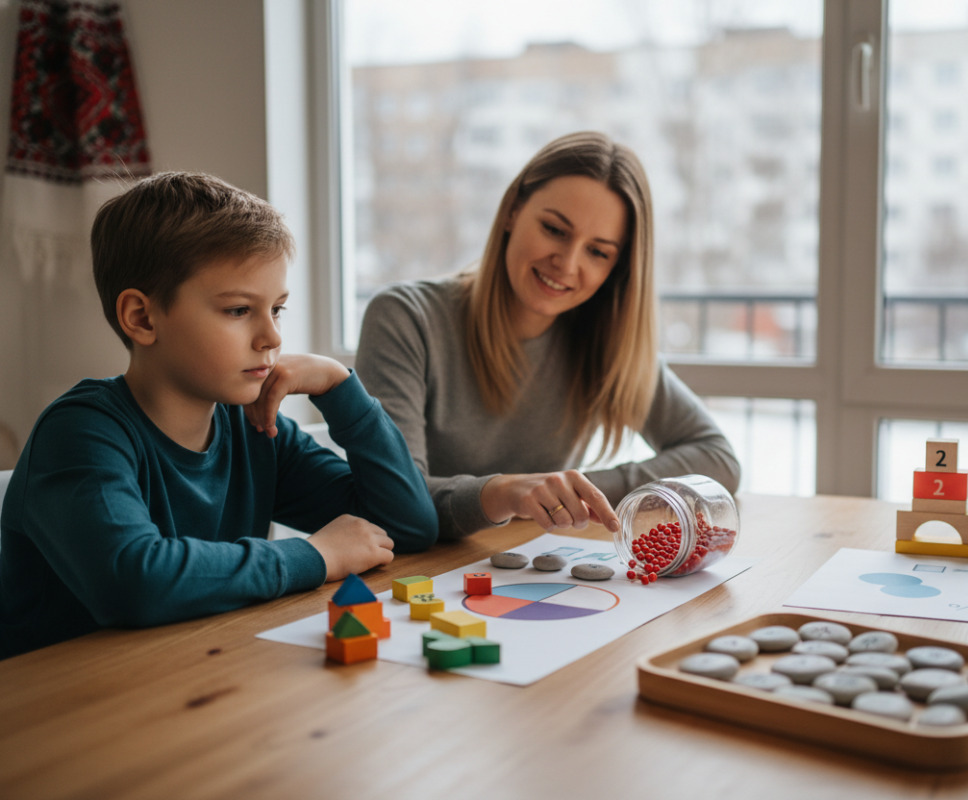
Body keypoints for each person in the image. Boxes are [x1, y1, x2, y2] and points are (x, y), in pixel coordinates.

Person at [0, 172, 437, 659]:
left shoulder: (254, 430)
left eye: (278, 309)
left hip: (188, 677)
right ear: (142, 318)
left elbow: (408, 527)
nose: (271, 337)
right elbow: (135, 581)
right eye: (237, 310)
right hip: (57, 708)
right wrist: (315, 555)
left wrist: (340, 387)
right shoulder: (80, 432)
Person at [357, 131, 740, 541]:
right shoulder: (405, 318)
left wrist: (565, 491)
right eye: (555, 229)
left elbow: (717, 459)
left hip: (529, 565)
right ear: (513, 211)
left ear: (618, 269)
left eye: (598, 252)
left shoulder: (604, 338)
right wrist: (505, 493)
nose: (567, 264)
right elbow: (396, 504)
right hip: (422, 574)